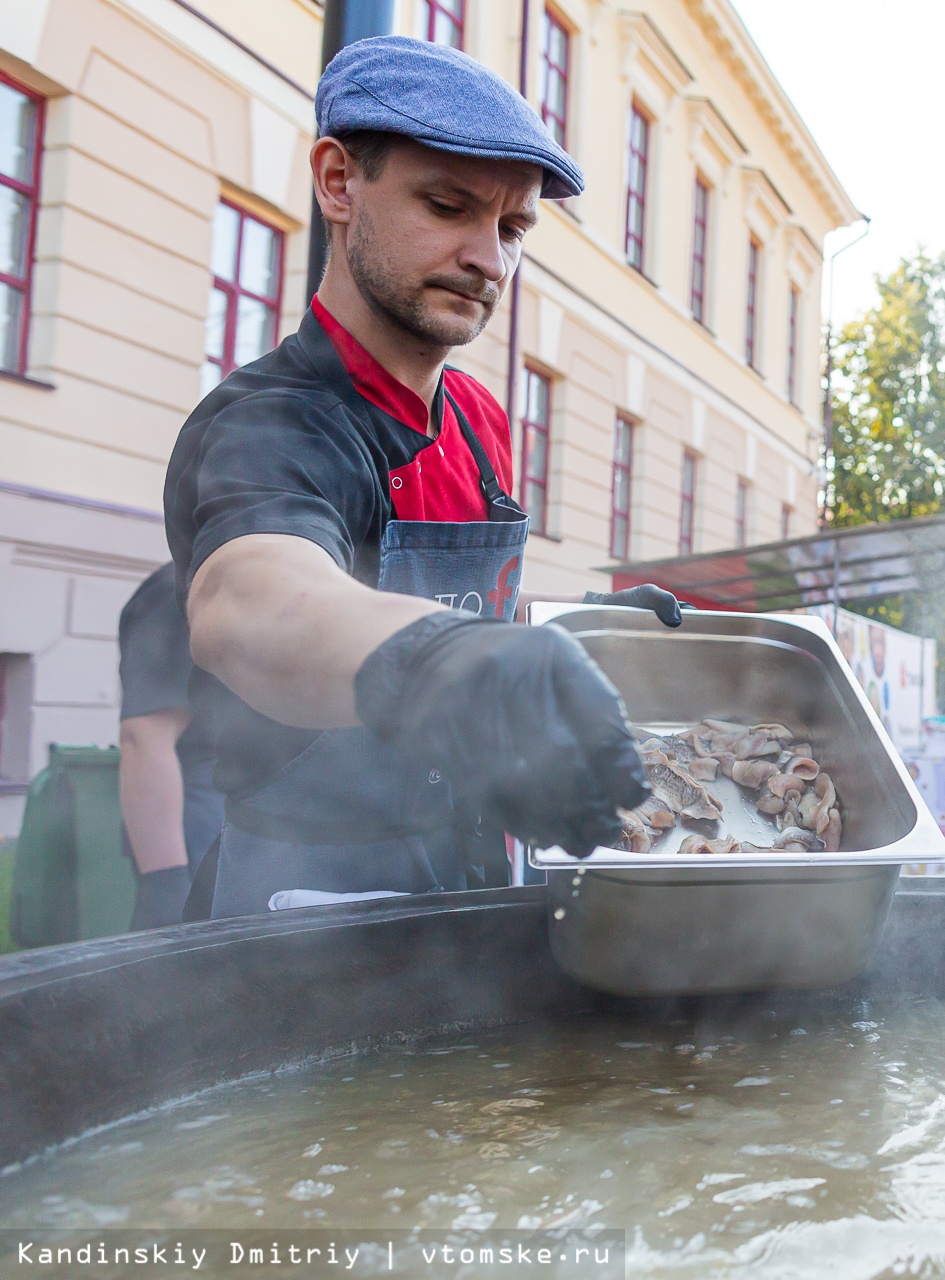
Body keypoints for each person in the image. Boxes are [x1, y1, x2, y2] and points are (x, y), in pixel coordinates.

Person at [166, 38, 679, 919]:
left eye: (513, 229)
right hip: (302, 912)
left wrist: (563, 633)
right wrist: (445, 660)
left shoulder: (479, 420)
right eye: (449, 206)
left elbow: (468, 613)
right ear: (337, 181)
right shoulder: (271, 421)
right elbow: (248, 602)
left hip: (472, 883)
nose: (489, 259)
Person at [117, 563, 224, 929]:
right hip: (194, 822)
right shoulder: (178, 592)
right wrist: (165, 885)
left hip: (229, 816)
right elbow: (143, 736)